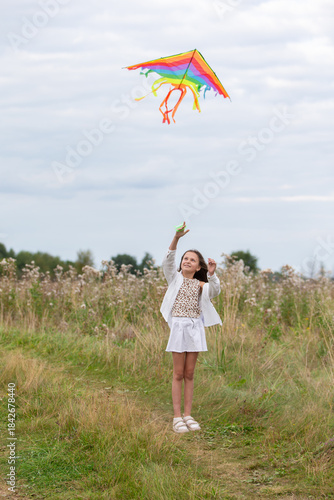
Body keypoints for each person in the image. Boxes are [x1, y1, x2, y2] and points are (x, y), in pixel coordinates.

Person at [160, 222, 222, 433]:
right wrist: (176, 238)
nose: (187, 261)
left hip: (195, 329)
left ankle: (188, 414)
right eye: (185, 258)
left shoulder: (201, 285)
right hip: (178, 327)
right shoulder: (174, 279)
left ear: (198, 267)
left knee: (189, 373)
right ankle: (177, 417)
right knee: (178, 373)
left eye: (192, 260)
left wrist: (212, 274)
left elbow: (215, 291)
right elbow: (168, 261)